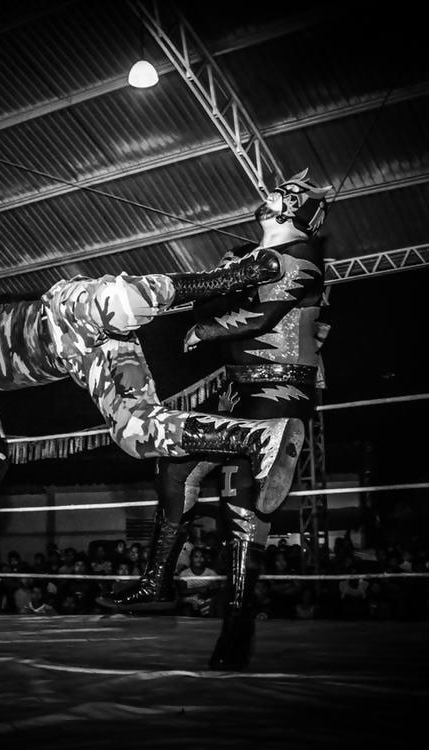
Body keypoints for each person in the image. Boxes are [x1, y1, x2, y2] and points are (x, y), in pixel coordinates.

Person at [0, 254, 311, 540]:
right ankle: (255, 438)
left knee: (113, 301)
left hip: (63, 310)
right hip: (89, 359)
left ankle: (226, 279)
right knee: (135, 434)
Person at [98, 168, 334, 671]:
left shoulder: (302, 259)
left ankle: (236, 632)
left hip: (280, 394)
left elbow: (262, 316)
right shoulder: (258, 257)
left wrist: (204, 328)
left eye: (282, 193)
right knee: (176, 462)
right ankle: (155, 583)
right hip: (242, 395)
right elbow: (227, 293)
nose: (270, 194)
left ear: (295, 209)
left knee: (245, 509)